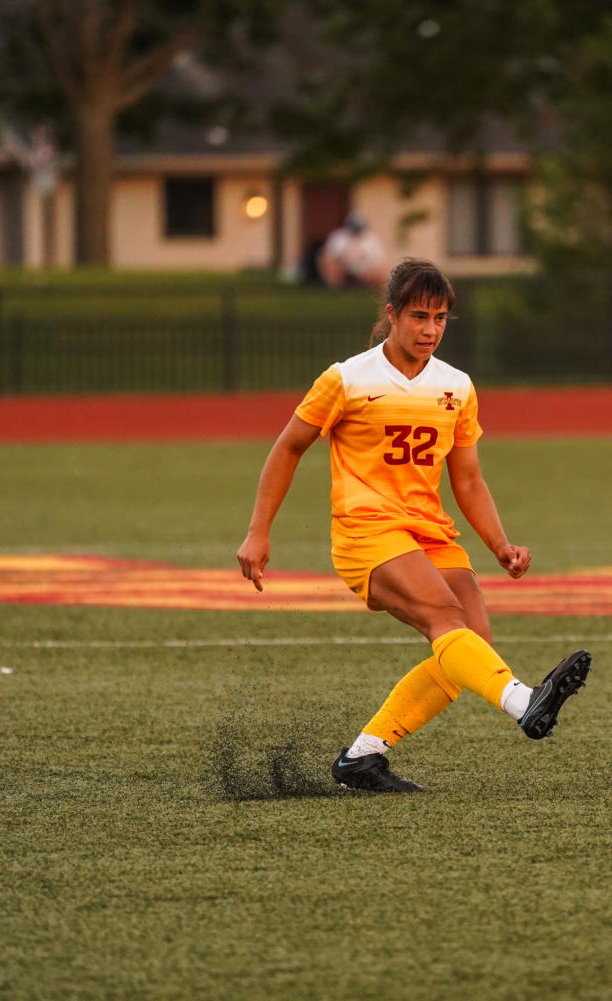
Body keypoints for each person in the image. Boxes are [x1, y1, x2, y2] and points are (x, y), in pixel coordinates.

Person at [237, 258, 592, 791]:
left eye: (441, 318)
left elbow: (468, 479)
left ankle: (363, 757)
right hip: (367, 532)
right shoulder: (347, 378)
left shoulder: (457, 386)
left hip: (428, 531)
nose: (430, 329)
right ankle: (525, 703)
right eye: (419, 316)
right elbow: (288, 447)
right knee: (447, 620)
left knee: (471, 646)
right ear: (392, 315)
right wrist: (258, 530)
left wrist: (499, 543)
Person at [316, 211, 389, 288]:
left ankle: (367, 287)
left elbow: (378, 259)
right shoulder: (338, 237)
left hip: (364, 269)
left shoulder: (370, 239)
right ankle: (335, 286)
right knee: (328, 262)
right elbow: (329, 255)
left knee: (382, 270)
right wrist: (344, 259)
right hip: (344, 267)